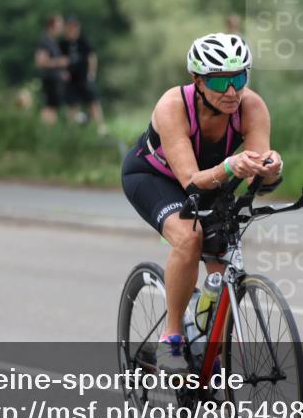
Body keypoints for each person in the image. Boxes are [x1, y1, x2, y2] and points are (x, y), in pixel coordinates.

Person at [121, 33, 283, 372]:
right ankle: (172, 337)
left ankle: (210, 348)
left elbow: (256, 171)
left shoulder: (251, 106)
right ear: (197, 80)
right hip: (154, 178)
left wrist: (269, 168)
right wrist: (229, 166)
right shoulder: (173, 105)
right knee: (189, 238)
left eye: (239, 78)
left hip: (212, 178)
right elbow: (190, 181)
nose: (232, 92)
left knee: (222, 261)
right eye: (221, 81)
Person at [60, 16, 107, 135]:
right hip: (70, 80)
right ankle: (71, 130)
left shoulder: (83, 41)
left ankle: (101, 127)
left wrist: (91, 73)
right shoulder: (62, 43)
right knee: (72, 104)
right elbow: (59, 60)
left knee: (93, 101)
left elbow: (92, 57)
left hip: (84, 77)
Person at [35, 13, 68, 125]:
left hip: (56, 79)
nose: (61, 27)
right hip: (50, 80)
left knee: (53, 107)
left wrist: (62, 72)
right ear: (51, 26)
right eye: (59, 25)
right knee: (49, 107)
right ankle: (45, 131)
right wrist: (59, 62)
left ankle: (49, 132)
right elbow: (40, 62)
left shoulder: (53, 42)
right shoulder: (45, 41)